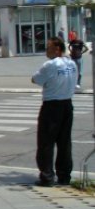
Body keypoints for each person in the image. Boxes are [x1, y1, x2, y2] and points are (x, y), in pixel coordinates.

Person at [32, 37, 78, 187]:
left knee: (46, 142)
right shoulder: (71, 63)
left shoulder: (50, 65)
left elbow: (35, 79)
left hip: (52, 106)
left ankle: (47, 176)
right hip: (67, 105)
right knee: (64, 143)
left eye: (49, 47)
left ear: (57, 49)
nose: (46, 50)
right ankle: (64, 175)